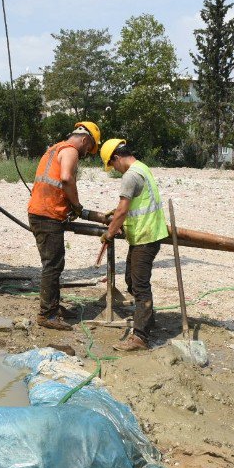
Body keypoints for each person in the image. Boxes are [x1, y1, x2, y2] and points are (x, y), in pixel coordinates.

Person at [27, 121, 101, 331]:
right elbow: (67, 179)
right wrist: (77, 206)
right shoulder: (71, 151)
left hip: (41, 211)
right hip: (48, 214)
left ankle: (53, 306)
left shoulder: (54, 148)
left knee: (54, 264)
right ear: (85, 140)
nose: (87, 152)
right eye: (89, 149)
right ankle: (47, 314)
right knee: (53, 265)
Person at [100, 139, 169, 351]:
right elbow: (134, 205)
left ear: (116, 157)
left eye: (112, 165)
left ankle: (140, 337)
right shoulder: (142, 168)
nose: (115, 170)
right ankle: (147, 320)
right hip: (145, 234)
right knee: (131, 278)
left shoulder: (130, 175)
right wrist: (120, 217)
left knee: (140, 286)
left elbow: (122, 210)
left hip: (146, 237)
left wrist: (109, 233)